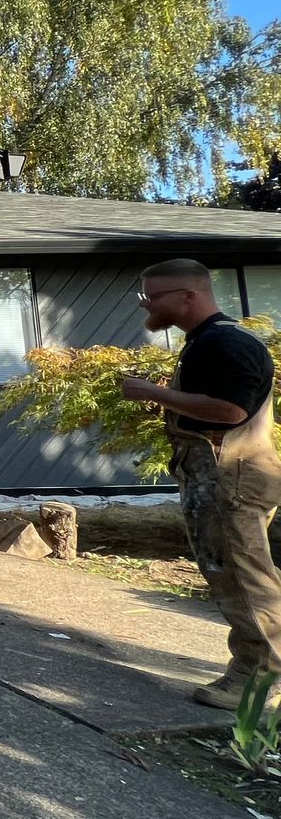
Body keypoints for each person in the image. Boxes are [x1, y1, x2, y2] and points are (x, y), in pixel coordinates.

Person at [124, 259, 281, 709]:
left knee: (244, 578)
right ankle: (248, 670)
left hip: (230, 478)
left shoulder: (224, 342)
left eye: (152, 298)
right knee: (237, 575)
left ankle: (261, 683)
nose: (146, 306)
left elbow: (231, 411)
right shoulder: (209, 341)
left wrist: (154, 393)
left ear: (188, 296)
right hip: (223, 476)